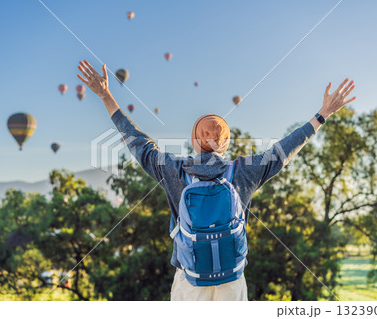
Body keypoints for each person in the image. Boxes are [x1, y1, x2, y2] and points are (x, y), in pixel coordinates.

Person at [77, 60, 356, 301]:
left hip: (189, 281)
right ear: (225, 145)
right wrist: (323, 114)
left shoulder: (174, 170)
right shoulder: (244, 170)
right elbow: (285, 149)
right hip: (231, 283)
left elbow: (138, 142)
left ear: (194, 142)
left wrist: (106, 97)